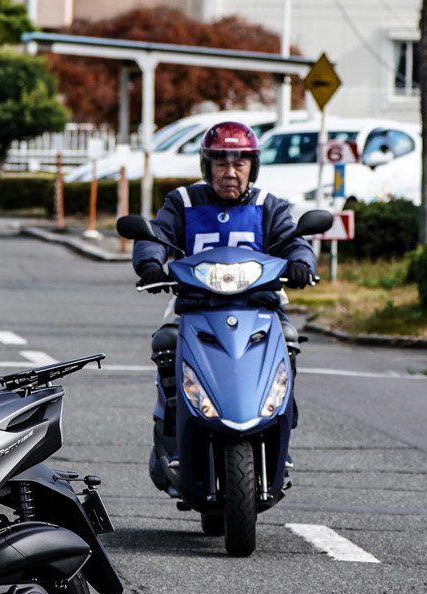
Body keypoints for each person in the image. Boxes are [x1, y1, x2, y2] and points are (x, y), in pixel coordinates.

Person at [129, 120, 315, 442]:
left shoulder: (269, 204)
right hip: (195, 306)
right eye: (221, 162)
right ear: (207, 165)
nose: (230, 172)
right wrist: (150, 264)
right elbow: (157, 234)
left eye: (239, 163)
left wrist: (301, 261)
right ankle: (174, 417)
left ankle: (282, 413)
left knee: (288, 337)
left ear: (252, 166)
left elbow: (292, 239)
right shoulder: (183, 201)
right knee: (166, 343)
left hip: (259, 306)